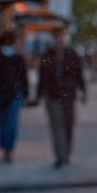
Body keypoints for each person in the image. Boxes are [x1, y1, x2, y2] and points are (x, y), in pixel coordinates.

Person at [35, 27, 86, 168]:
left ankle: (67, 152)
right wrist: (39, 94)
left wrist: (83, 91)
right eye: (56, 37)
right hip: (53, 96)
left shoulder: (72, 54)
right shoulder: (48, 55)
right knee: (57, 126)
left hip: (69, 95)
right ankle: (60, 155)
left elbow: (79, 74)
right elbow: (42, 75)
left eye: (61, 37)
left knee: (68, 125)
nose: (58, 40)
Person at [0, 30, 28, 163]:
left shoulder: (12, 59)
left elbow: (23, 78)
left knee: (8, 122)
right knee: (6, 123)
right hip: (4, 95)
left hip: (10, 96)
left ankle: (7, 149)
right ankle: (6, 148)